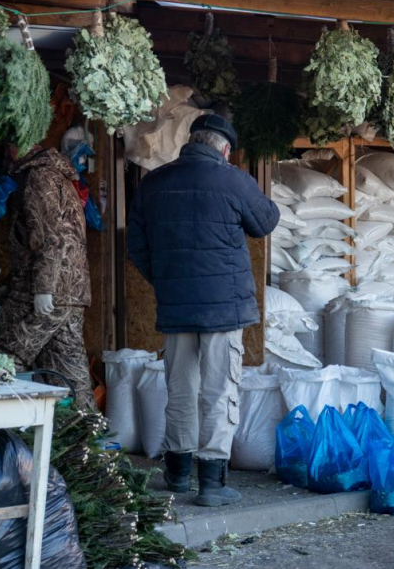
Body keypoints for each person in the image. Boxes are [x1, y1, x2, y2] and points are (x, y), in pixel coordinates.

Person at [128, 114, 279, 507]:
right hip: (222, 309)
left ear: (190, 141)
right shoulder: (232, 179)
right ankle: (211, 483)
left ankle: (177, 474)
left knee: (180, 390)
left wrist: (164, 280)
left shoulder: (153, 183)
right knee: (218, 391)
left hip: (175, 307)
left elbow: (137, 248)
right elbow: (265, 222)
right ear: (225, 149)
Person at [0, 145, 95, 409]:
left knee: (0, 353)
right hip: (69, 290)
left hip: (48, 290)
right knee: (68, 366)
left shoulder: (39, 177)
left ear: (18, 150)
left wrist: (43, 288)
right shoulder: (58, 176)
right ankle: (87, 439)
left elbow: (51, 237)